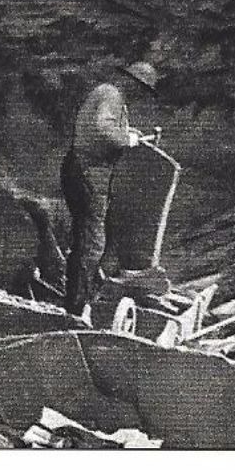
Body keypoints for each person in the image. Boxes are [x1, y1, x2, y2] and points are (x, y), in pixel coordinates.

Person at [62, 60, 160, 318]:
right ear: (131, 81)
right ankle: (76, 308)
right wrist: (125, 138)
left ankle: (78, 298)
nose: (141, 95)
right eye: (142, 89)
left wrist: (129, 132)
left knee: (87, 237)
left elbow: (106, 127)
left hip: (85, 169)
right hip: (87, 171)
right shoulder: (111, 95)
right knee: (93, 242)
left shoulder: (111, 96)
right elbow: (101, 128)